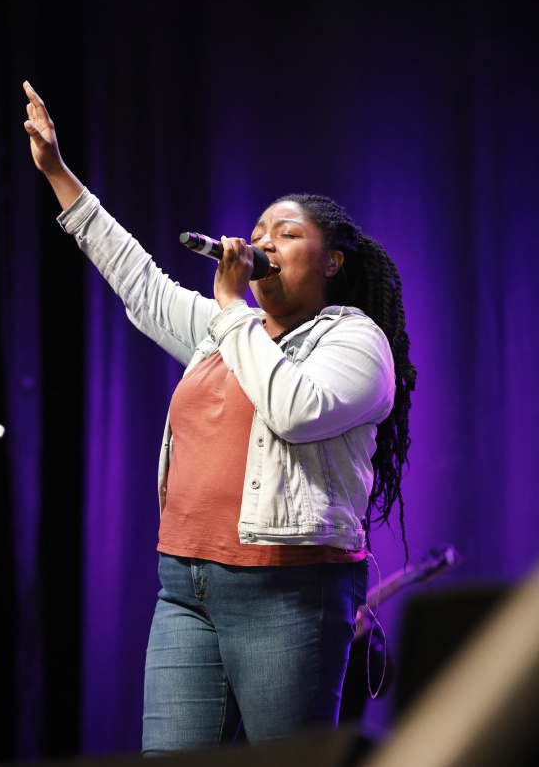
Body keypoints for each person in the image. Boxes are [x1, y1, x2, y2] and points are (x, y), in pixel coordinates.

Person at [23, 81, 416, 753]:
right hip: (185, 584)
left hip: (289, 589)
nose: (262, 243)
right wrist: (58, 172)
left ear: (332, 260)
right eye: (258, 233)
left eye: (286, 234)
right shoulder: (230, 330)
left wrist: (233, 310)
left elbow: (294, 409)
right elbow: (141, 284)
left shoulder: (355, 341)